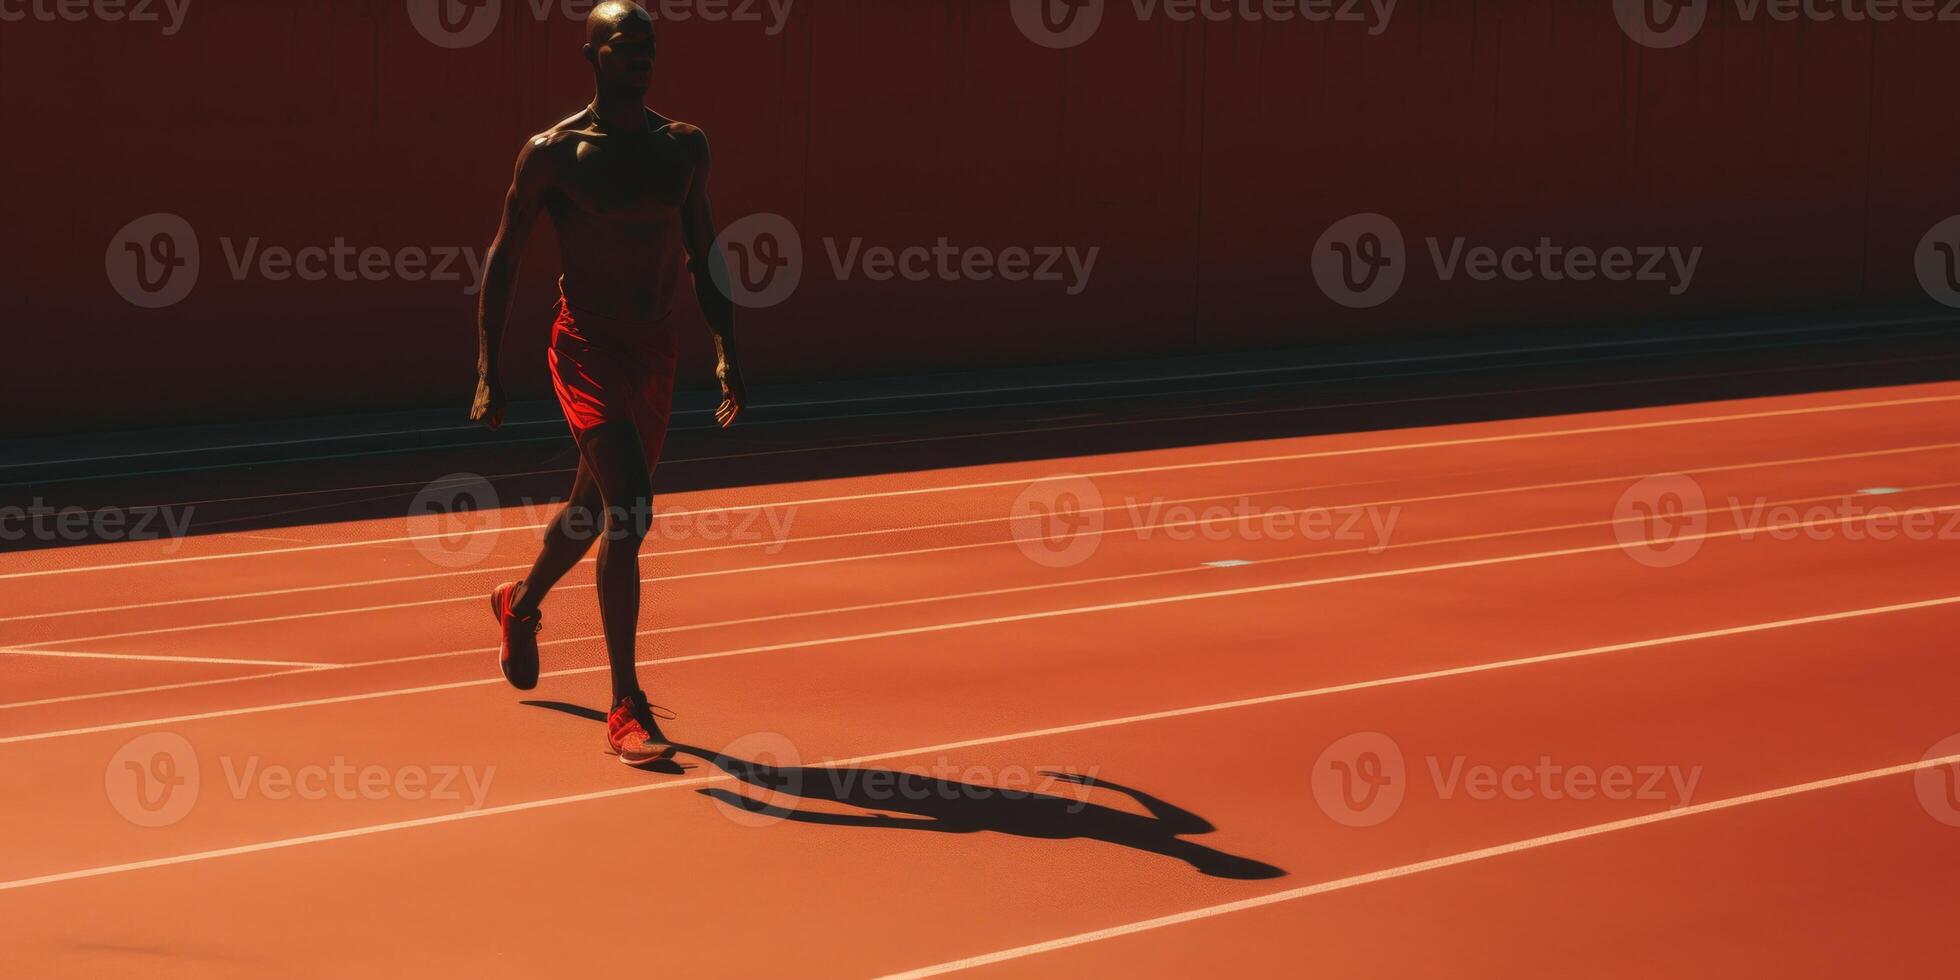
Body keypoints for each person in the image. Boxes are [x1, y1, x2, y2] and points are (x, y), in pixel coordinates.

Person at [470, 0, 745, 766]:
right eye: (626, 45)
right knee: (630, 506)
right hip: (586, 347)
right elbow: (505, 254)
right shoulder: (553, 153)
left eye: (650, 45)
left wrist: (728, 347)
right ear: (592, 55)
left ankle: (519, 605)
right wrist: (489, 367)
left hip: (654, 350)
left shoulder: (683, 148)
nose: (642, 56)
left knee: (592, 510)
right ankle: (626, 704)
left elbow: (706, 250)